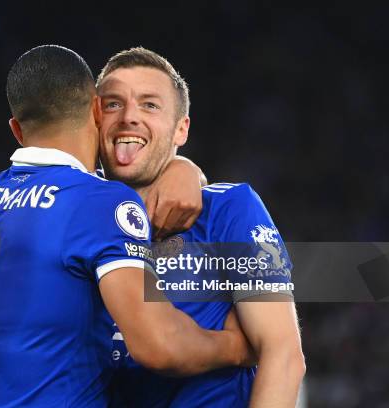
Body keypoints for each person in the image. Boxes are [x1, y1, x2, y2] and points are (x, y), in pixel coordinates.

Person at [0, 45, 254, 407]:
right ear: (97, 112)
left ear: (16, 129)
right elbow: (158, 346)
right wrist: (235, 346)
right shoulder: (101, 202)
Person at [96, 47, 305, 407]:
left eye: (149, 105)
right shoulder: (73, 214)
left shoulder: (228, 210)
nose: (129, 116)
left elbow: (283, 355)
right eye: (113, 104)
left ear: (181, 129)